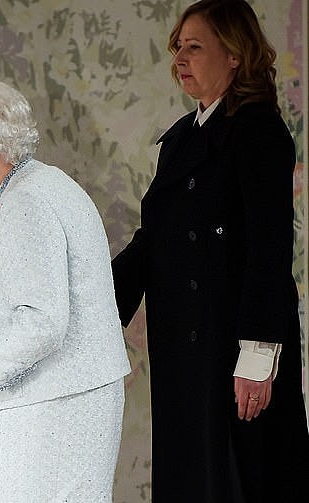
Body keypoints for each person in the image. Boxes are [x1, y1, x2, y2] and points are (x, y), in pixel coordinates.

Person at [111, 1, 309, 501]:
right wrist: (98, 306)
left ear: (235, 54)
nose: (180, 57)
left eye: (194, 47)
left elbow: (269, 248)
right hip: (184, 352)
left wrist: (258, 356)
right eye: (177, 46)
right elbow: (153, 241)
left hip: (234, 352)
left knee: (244, 481)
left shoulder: (257, 130)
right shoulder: (179, 140)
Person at [0, 79, 131, 502]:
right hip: (61, 396)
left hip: (59, 402)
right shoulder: (34, 188)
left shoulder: (27, 202)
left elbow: (43, 320)